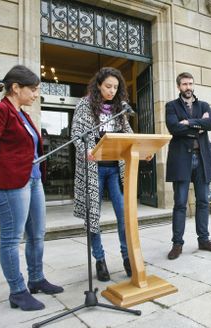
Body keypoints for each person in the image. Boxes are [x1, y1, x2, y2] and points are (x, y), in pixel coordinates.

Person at [0, 65, 63, 311]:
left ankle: (36, 279)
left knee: (37, 235)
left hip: (32, 181)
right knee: (11, 240)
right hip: (10, 184)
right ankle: (18, 291)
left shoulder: (22, 113)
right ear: (15, 88)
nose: (35, 94)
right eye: (32, 89)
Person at [71, 67, 133, 281]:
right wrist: (85, 150)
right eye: (108, 86)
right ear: (98, 85)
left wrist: (142, 151)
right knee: (93, 216)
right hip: (93, 168)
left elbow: (129, 135)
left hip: (116, 169)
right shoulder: (84, 105)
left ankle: (127, 257)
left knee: (123, 215)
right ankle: (99, 260)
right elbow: (76, 135)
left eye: (116, 87)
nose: (112, 91)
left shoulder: (120, 108)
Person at [165, 72, 211, 260]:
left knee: (203, 202)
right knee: (180, 203)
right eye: (184, 84)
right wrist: (200, 124)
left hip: (202, 158)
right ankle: (177, 244)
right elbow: (174, 127)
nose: (188, 87)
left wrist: (189, 122)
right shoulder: (171, 106)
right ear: (178, 86)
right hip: (182, 159)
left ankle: (204, 240)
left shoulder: (203, 105)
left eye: (190, 83)